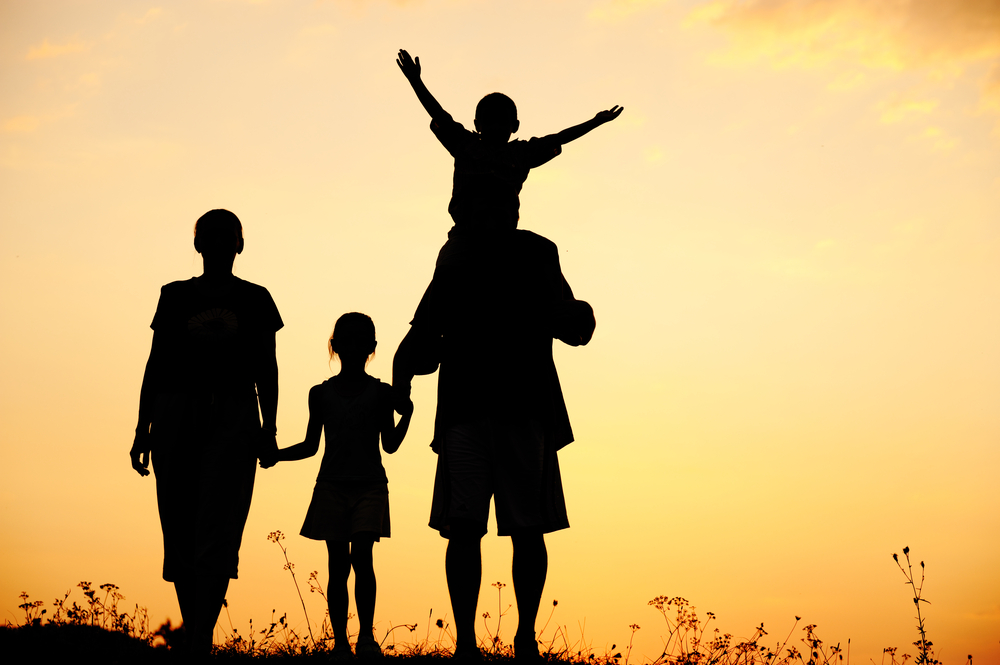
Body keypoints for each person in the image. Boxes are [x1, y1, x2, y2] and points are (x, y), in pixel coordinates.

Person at [393, 233, 595, 660]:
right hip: (476, 410)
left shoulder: (532, 252)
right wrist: (402, 377)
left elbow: (573, 326)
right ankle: (473, 641)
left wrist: (404, 376)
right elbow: (425, 333)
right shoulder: (459, 252)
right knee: (474, 526)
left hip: (516, 408)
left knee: (518, 527)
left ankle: (519, 638)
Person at [130, 209, 282, 655]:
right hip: (174, 409)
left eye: (226, 235)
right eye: (209, 236)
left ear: (239, 244)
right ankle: (195, 629)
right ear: (197, 245)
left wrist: (269, 428)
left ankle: (200, 637)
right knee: (178, 522)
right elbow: (155, 363)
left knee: (219, 522)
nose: (217, 243)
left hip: (234, 412)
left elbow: (266, 368)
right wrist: (143, 427)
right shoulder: (174, 295)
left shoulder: (257, 298)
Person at [261, 313, 413, 658]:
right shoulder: (321, 394)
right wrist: (278, 456)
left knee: (360, 556)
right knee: (337, 564)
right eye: (350, 339)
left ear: (371, 348)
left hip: (370, 485)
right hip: (331, 486)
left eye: (363, 340)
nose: (356, 346)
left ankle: (366, 639)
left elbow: (388, 445)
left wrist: (407, 416)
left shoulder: (380, 394)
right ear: (336, 346)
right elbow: (311, 445)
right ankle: (343, 642)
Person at [395, 48, 622, 271]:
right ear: (477, 125)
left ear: (514, 126)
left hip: (506, 235)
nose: (496, 126)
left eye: (502, 121)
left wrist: (595, 121)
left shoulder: (522, 153)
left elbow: (560, 137)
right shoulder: (465, 145)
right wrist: (415, 81)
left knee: (547, 252)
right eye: (489, 120)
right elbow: (438, 113)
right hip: (467, 235)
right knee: (448, 271)